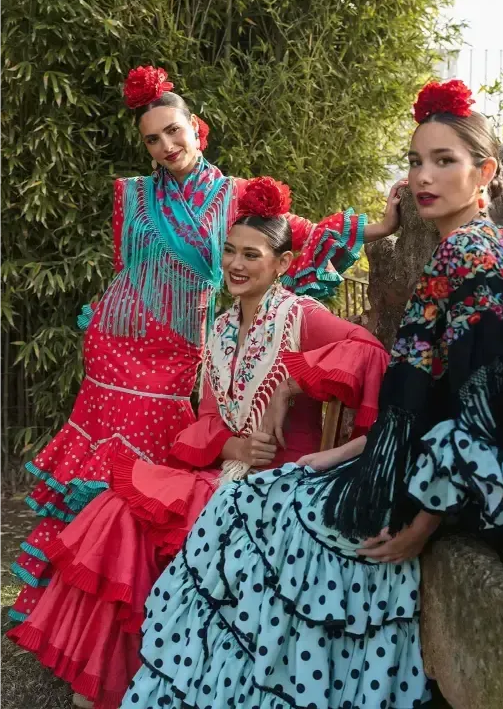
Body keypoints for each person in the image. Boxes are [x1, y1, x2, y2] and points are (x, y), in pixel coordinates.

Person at [120, 79, 503, 709]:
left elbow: (484, 423)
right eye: (416, 161)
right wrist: (336, 456)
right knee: (245, 508)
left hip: (421, 497)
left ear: (485, 172)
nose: (423, 177)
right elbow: (422, 409)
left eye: (444, 161)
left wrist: (422, 527)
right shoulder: (458, 253)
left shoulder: (480, 263)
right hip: (389, 466)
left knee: (242, 524)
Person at [8, 65, 404, 627]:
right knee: (98, 472)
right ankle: (72, 611)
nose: (167, 146)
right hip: (116, 346)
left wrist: (378, 227)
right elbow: (130, 270)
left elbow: (299, 234)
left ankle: (138, 615)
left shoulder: (234, 196)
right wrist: (103, 318)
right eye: (153, 138)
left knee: (145, 476)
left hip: (179, 353)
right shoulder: (133, 195)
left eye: (174, 131)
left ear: (198, 128)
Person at [7, 179, 390, 709]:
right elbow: (210, 416)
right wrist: (230, 448)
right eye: (229, 251)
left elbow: (367, 350)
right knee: (116, 509)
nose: (235, 264)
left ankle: (158, 669)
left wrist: (291, 384)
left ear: (280, 264)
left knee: (132, 514)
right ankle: (132, 669)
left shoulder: (300, 316)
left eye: (250, 255)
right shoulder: (220, 329)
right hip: (229, 475)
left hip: (281, 487)